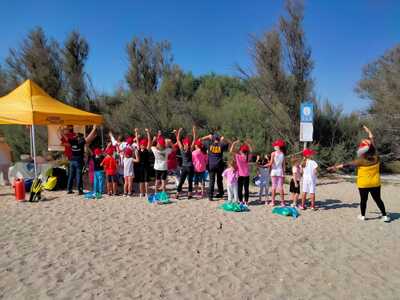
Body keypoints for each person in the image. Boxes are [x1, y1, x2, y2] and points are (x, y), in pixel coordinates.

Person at [328, 125, 390, 222]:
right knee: (378, 199)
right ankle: (385, 216)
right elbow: (372, 140)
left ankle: (362, 216)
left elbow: (346, 165)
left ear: (362, 150)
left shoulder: (360, 161)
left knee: (363, 200)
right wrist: (368, 131)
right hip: (375, 183)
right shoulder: (376, 156)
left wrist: (334, 167)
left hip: (364, 184)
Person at [63, 125, 97, 195]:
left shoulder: (72, 141)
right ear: (80, 137)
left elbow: (64, 136)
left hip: (72, 160)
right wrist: (93, 129)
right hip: (79, 161)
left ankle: (69, 189)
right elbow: (88, 137)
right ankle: (80, 190)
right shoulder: (80, 142)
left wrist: (62, 130)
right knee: (79, 175)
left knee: (71, 175)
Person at [201, 133, 230, 201]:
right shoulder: (221, 144)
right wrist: (224, 139)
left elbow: (200, 140)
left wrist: (207, 136)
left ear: (213, 139)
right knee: (219, 180)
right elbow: (230, 143)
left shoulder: (209, 144)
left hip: (211, 165)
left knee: (212, 181)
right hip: (219, 165)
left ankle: (210, 196)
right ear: (219, 139)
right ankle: (221, 194)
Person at [176, 127, 196, 199]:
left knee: (181, 181)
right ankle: (189, 195)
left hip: (184, 167)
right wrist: (194, 131)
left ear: (184, 144)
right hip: (190, 167)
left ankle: (177, 194)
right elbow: (194, 139)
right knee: (190, 181)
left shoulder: (182, 149)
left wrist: (179, 131)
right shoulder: (190, 149)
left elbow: (178, 140)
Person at [230, 140, 252, 205]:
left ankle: (240, 201)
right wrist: (248, 144)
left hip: (240, 175)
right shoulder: (248, 156)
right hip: (246, 175)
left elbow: (231, 151)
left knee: (240, 188)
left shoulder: (238, 156)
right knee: (246, 189)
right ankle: (246, 201)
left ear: (241, 150)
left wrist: (234, 143)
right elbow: (251, 151)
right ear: (247, 151)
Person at [268, 139, 286, 206]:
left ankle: (273, 202)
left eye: (275, 145)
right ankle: (282, 202)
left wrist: (263, 165)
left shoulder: (273, 153)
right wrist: (284, 173)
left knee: (273, 187)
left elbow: (271, 163)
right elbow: (283, 165)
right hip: (280, 171)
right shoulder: (283, 154)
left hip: (274, 171)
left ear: (278, 146)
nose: (274, 146)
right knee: (280, 187)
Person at [135, 128, 152, 197]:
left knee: (141, 181)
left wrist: (136, 132)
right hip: (146, 167)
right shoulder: (147, 150)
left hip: (140, 167)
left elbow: (137, 141)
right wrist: (148, 132)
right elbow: (149, 141)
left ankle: (141, 193)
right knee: (146, 181)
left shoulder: (139, 150)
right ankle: (147, 193)